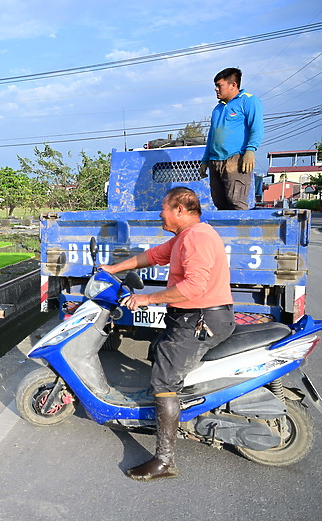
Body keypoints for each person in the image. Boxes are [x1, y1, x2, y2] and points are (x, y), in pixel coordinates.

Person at [101, 187, 235, 481]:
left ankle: (165, 461)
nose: (160, 213)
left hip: (200, 319)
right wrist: (112, 269)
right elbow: (150, 256)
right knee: (157, 352)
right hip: (190, 318)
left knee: (163, 379)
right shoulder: (182, 237)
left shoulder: (197, 238)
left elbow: (195, 286)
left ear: (180, 210)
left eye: (163, 208)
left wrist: (146, 299)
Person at [199, 67, 264, 210]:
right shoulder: (218, 108)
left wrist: (250, 151)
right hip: (215, 161)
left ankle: (242, 232)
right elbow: (211, 136)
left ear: (233, 85)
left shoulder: (248, 100)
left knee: (236, 201)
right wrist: (205, 160)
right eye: (215, 86)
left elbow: (256, 128)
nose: (216, 89)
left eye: (219, 85)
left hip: (236, 159)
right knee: (220, 203)